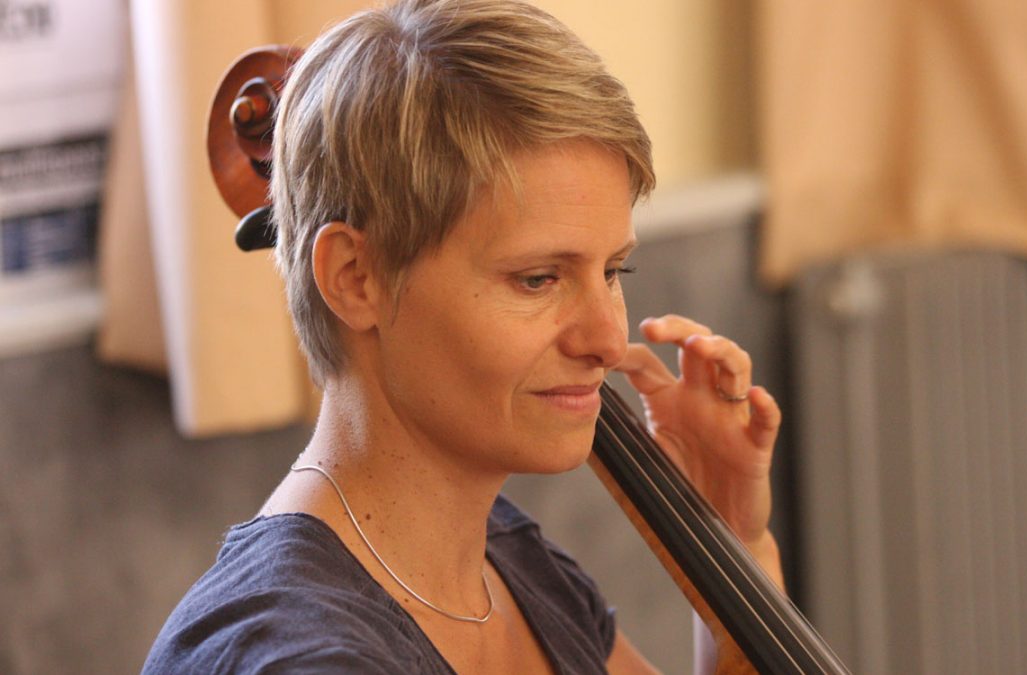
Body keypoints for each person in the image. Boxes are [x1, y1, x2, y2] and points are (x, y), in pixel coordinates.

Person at [143, 0, 784, 672]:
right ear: (356, 277)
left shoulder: (507, 560)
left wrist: (732, 539)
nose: (607, 337)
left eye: (614, 270)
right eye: (538, 278)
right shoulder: (295, 656)